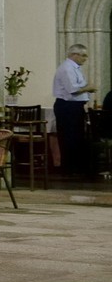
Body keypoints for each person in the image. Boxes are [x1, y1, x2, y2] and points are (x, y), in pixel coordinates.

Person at [53, 43, 96, 180]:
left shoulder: (74, 68)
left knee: (77, 137)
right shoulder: (67, 68)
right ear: (74, 55)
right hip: (67, 107)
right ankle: (68, 169)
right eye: (83, 55)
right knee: (69, 137)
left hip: (74, 107)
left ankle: (76, 167)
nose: (85, 58)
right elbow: (72, 89)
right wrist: (88, 88)